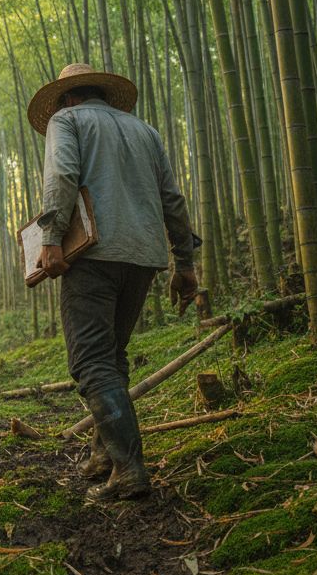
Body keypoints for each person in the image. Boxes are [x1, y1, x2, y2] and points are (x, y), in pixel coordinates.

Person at [28, 63, 199, 501]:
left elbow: (62, 176)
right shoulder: (146, 132)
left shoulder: (65, 121)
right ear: (101, 94)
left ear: (67, 98)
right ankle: (105, 455)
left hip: (93, 253)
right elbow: (172, 200)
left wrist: (50, 238)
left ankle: (129, 469)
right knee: (111, 356)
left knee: (91, 363)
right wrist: (185, 262)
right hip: (143, 256)